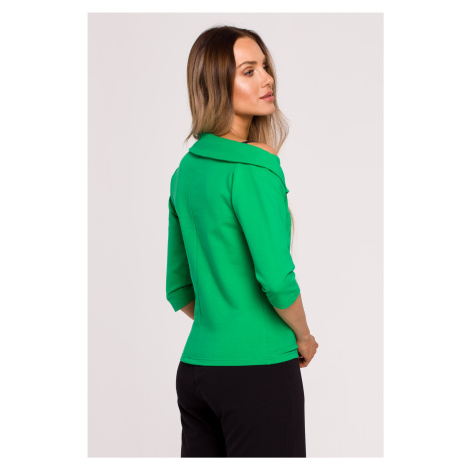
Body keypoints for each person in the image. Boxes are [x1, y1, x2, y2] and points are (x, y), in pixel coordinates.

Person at [166, 25, 319, 458]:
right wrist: (304, 337)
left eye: (264, 67)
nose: (267, 78)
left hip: (196, 371)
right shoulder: (254, 167)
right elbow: (277, 278)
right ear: (216, 84)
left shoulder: (186, 172)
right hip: (258, 373)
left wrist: (223, 320)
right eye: (248, 71)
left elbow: (179, 287)